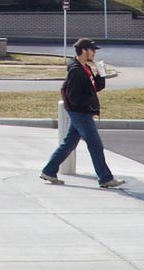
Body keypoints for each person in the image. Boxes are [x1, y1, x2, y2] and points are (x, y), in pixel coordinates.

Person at [40, 38, 123, 188]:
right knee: (95, 145)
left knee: (69, 144)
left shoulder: (85, 68)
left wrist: (101, 74)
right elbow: (73, 96)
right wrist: (87, 106)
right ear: (84, 51)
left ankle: (49, 171)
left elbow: (94, 88)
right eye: (92, 50)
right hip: (81, 114)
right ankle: (105, 178)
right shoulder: (75, 70)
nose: (94, 52)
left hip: (81, 113)